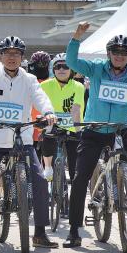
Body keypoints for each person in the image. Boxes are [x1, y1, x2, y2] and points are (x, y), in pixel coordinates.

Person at [64, 22, 127, 248]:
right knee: (80, 178)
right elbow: (72, 62)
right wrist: (76, 38)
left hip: (121, 129)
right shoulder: (97, 68)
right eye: (115, 52)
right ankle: (74, 230)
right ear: (109, 54)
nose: (119, 56)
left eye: (124, 53)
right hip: (94, 129)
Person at [0, 36, 59, 249]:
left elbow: (40, 98)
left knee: (40, 180)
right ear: (1, 56)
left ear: (22, 57)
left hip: (23, 139)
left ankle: (40, 233)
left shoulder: (29, 79)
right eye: (7, 53)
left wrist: (48, 112)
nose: (12, 57)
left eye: (16, 54)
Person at [39, 53, 84, 185]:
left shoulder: (78, 86)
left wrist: (78, 131)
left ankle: (74, 190)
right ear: (53, 70)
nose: (61, 69)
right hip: (52, 125)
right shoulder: (44, 85)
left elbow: (76, 109)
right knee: (47, 136)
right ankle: (48, 168)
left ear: (71, 70)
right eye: (58, 67)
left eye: (65, 66)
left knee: (74, 168)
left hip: (73, 127)